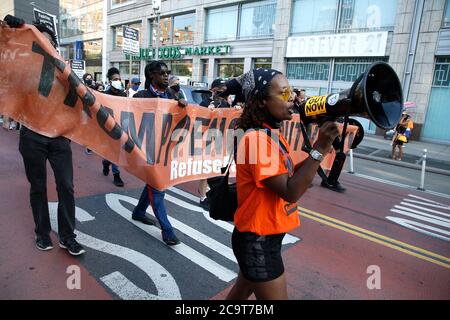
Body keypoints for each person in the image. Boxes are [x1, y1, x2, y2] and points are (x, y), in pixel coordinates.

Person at [224, 68, 339, 300]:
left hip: (264, 236)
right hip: (258, 240)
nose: (292, 100)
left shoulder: (270, 135)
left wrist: (317, 147)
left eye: (292, 93)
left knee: (240, 293)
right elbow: (290, 191)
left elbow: (287, 176)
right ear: (262, 101)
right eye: (284, 94)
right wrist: (321, 149)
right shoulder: (256, 140)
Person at [7, 17, 86, 255]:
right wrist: (17, 28)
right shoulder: (22, 70)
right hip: (32, 137)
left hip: (59, 138)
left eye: (50, 41)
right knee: (38, 187)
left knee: (66, 186)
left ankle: (67, 237)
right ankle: (42, 233)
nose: (47, 44)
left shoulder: (65, 71)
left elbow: (82, 96)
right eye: (41, 40)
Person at [131, 60, 187, 245]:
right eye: (162, 73)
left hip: (167, 149)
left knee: (153, 184)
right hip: (148, 150)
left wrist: (183, 109)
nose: (166, 75)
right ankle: (167, 230)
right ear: (151, 76)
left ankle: (139, 212)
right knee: (158, 187)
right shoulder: (141, 96)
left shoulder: (173, 96)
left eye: (167, 72)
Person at [102, 67, 126, 186]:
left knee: (116, 151)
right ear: (110, 81)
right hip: (108, 129)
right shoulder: (105, 95)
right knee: (115, 151)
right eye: (115, 79)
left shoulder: (123, 94)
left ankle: (106, 163)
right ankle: (116, 175)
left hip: (120, 128)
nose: (118, 81)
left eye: (119, 79)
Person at [83, 73, 96, 155]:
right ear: (84, 79)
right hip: (84, 111)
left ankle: (90, 146)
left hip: (93, 111)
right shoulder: (82, 88)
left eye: (90, 78)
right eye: (87, 78)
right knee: (86, 128)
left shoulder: (94, 88)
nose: (89, 79)